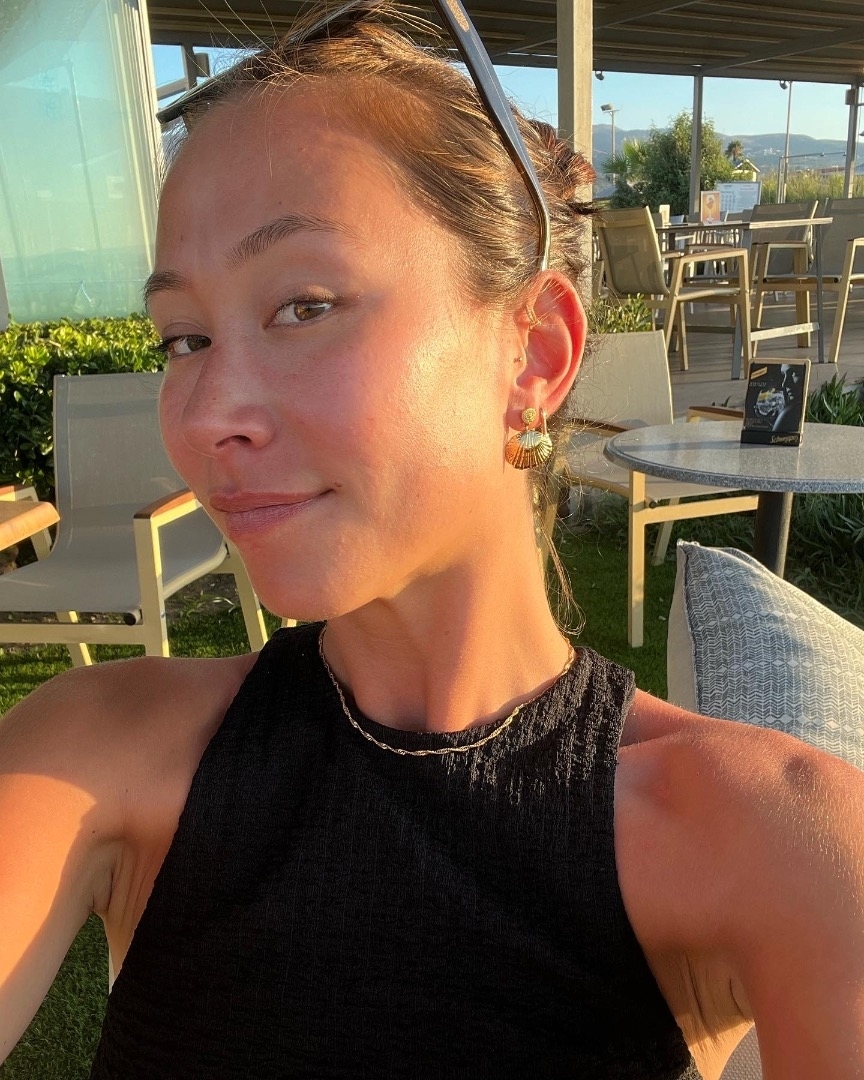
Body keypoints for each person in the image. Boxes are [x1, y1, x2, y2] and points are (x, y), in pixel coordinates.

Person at [2, 3, 863, 1077]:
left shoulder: (776, 842)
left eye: (305, 305)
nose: (208, 411)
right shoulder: (95, 754)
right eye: (185, 337)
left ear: (533, 353)